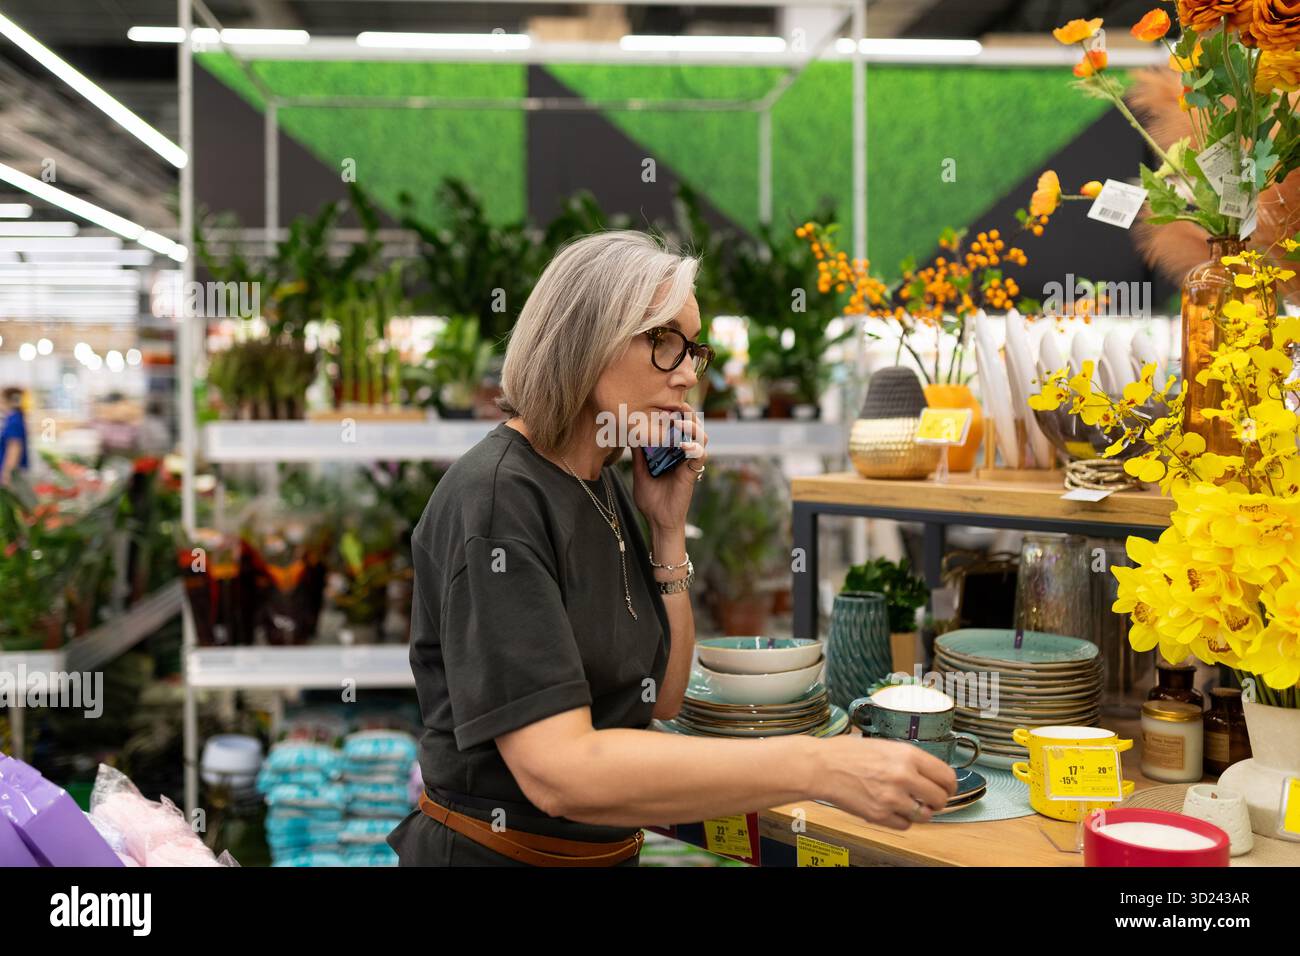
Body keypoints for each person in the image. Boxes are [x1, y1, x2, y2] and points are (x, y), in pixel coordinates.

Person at [387, 231, 956, 867]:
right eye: (665, 342)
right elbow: (561, 773)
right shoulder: (498, 501)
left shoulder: (600, 480)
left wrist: (665, 527)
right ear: (587, 339)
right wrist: (816, 764)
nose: (688, 373)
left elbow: (663, 696)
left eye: (695, 350)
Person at [1, 387, 29, 485]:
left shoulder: (14, 420)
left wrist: (7, 474)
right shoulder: (14, 417)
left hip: (12, 475)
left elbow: (14, 447)